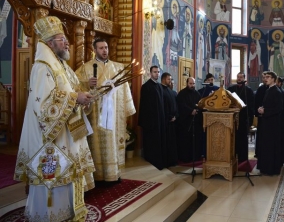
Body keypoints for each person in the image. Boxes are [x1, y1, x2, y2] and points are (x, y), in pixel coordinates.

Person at [14, 16, 95, 221]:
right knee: (53, 177)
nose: (66, 42)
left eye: (65, 39)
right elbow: (43, 106)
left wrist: (83, 99)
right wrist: (75, 98)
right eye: (61, 39)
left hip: (68, 133)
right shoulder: (42, 66)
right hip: (51, 138)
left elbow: (74, 91)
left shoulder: (63, 67)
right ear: (50, 43)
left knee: (67, 176)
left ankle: (69, 213)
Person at [75, 38, 136, 184]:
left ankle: (114, 174)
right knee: (96, 145)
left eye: (106, 47)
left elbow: (124, 90)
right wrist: (85, 83)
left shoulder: (118, 68)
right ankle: (98, 176)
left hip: (113, 116)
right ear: (94, 50)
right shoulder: (86, 68)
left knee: (113, 143)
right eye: (101, 48)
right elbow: (74, 85)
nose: (104, 51)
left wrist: (126, 111)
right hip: (95, 116)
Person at [257, 72, 284, 175]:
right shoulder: (269, 90)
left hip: (273, 124)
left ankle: (271, 168)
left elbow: (278, 108)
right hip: (267, 122)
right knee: (266, 146)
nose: (265, 79)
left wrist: (265, 111)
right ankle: (265, 167)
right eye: (265, 77)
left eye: (268, 77)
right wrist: (262, 108)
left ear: (273, 79)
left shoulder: (276, 91)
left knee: (271, 146)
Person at [139, 66, 169, 170]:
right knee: (152, 142)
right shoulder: (146, 86)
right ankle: (152, 160)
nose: (157, 74)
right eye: (155, 72)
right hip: (151, 121)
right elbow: (144, 105)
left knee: (160, 142)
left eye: (158, 72)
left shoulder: (160, 86)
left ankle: (160, 161)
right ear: (150, 73)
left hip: (160, 119)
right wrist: (146, 121)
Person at [228, 72, 255, 162]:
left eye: (241, 77)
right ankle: (232, 156)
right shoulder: (231, 89)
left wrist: (250, 119)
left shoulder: (248, 90)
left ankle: (242, 158)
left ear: (244, 78)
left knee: (243, 138)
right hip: (232, 117)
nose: (239, 78)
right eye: (238, 77)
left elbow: (251, 105)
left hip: (244, 118)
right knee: (233, 138)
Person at [176, 77, 203, 162]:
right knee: (186, 141)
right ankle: (185, 158)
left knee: (195, 140)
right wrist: (190, 111)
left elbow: (200, 105)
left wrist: (197, 110)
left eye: (193, 84)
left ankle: (195, 157)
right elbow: (181, 106)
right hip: (185, 122)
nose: (192, 85)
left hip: (196, 122)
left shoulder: (197, 94)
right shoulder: (181, 94)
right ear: (187, 83)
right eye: (190, 83)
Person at [160, 72, 178, 167]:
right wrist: (168, 117)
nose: (170, 81)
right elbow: (162, 107)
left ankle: (172, 161)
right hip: (166, 121)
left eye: (170, 79)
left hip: (173, 120)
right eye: (168, 79)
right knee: (166, 143)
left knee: (172, 143)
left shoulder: (170, 91)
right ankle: (166, 161)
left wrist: (175, 116)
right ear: (163, 79)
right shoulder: (160, 90)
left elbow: (175, 105)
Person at [254, 72, 269, 158]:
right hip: (261, 116)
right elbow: (256, 102)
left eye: (266, 77)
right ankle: (259, 152)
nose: (265, 79)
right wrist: (258, 113)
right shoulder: (260, 89)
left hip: (269, 116)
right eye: (263, 78)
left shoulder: (273, 89)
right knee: (260, 135)